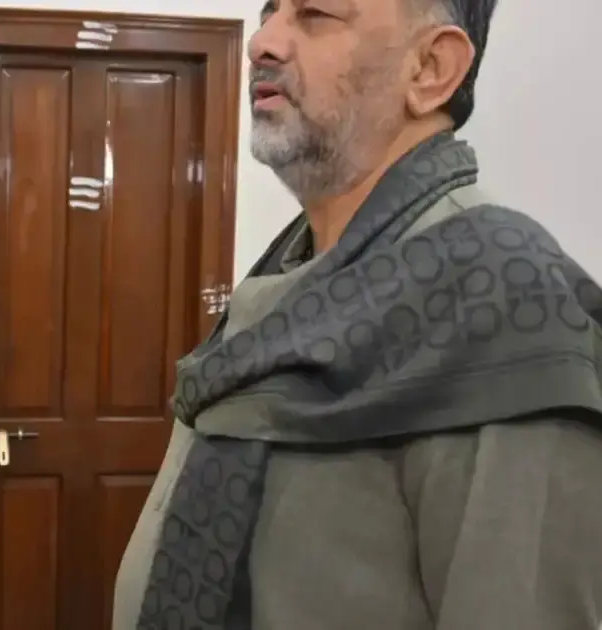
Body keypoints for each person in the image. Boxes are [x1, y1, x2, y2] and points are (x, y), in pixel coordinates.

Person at [113, 0, 602, 628]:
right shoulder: (290, 278)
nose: (261, 41)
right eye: (269, 10)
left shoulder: (502, 305)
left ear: (430, 68)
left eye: (315, 13)